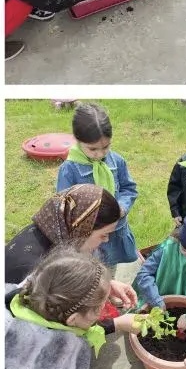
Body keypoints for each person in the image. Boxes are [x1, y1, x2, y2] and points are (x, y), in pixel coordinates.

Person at [5, 248, 142, 369]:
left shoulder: (26, 298)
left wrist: (105, 291)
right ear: (73, 319)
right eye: (99, 308)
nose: (105, 308)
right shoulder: (50, 367)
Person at [5, 185, 139, 315]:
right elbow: (52, 321)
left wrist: (104, 284)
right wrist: (115, 325)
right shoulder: (35, 272)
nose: (106, 240)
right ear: (83, 230)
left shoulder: (52, 230)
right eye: (103, 235)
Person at [57, 103, 139, 268]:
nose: (100, 154)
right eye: (93, 149)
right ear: (78, 140)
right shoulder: (69, 169)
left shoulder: (117, 161)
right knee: (92, 270)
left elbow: (128, 188)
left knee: (111, 267)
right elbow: (63, 206)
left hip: (115, 231)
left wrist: (122, 207)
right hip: (89, 238)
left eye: (105, 147)